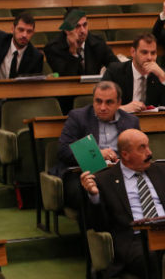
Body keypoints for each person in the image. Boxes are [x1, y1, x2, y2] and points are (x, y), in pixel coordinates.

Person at [80, 129, 165, 279]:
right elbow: (99, 225)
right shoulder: (105, 180)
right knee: (158, 256)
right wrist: (94, 197)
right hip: (136, 240)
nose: (149, 153)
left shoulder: (163, 171)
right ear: (125, 155)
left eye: (148, 146)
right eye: (142, 148)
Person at [0, 4, 44, 183]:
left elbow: (31, 89)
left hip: (14, 103)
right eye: (21, 30)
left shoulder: (36, 56)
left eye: (29, 31)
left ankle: (9, 164)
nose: (24, 35)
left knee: (3, 112)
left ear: (33, 33)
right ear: (13, 29)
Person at [53, 81, 140, 212]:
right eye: (98, 101)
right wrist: (96, 154)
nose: (102, 107)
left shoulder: (130, 121)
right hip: (84, 173)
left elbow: (140, 151)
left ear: (118, 103)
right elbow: (63, 151)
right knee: (86, 192)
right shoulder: (78, 117)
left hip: (119, 173)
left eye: (109, 102)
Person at [101, 33, 165, 112]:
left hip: (151, 119)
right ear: (133, 52)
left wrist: (163, 78)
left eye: (153, 53)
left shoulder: (160, 74)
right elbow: (100, 106)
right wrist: (123, 108)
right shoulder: (115, 71)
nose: (149, 58)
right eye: (144, 52)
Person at [44, 9, 119, 77]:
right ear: (67, 30)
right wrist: (73, 52)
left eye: (85, 25)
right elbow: (66, 79)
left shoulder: (98, 43)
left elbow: (117, 68)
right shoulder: (53, 48)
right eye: (77, 26)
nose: (83, 31)